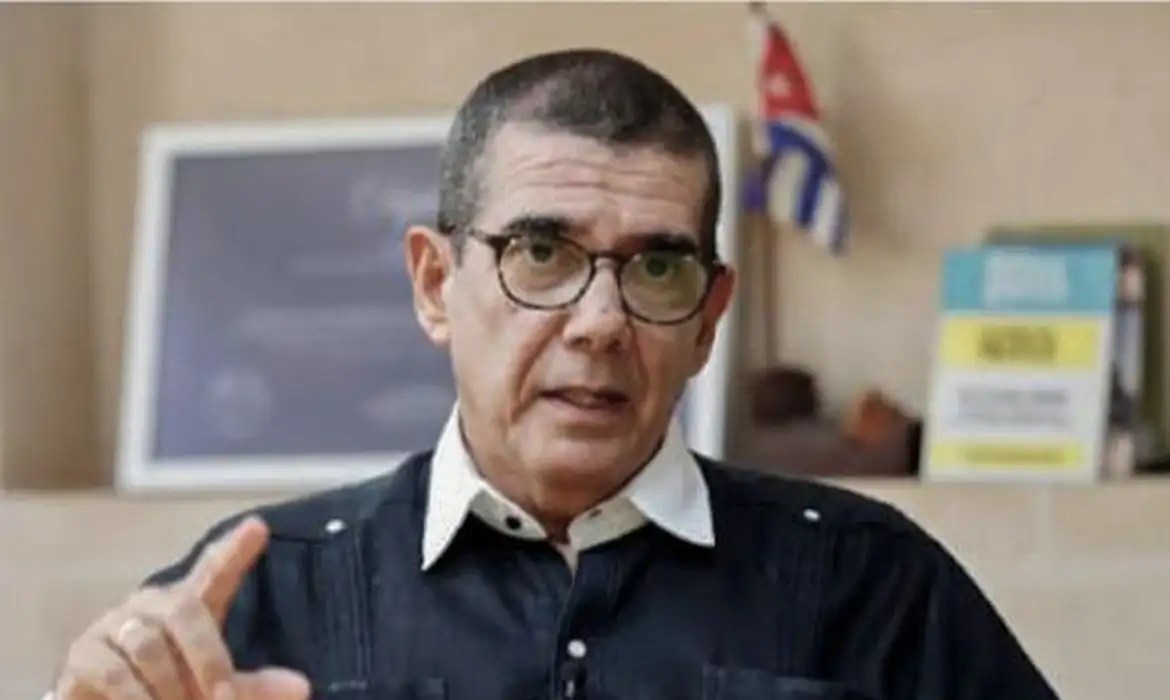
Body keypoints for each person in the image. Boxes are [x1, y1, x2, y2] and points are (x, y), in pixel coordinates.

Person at [51, 49, 1059, 700]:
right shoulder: (262, 595)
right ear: (436, 284)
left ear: (709, 318)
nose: (601, 322)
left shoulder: (871, 585)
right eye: (541, 253)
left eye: (657, 268)